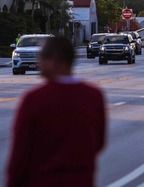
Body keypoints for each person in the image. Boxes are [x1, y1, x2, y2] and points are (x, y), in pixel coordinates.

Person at [6, 36, 106, 187]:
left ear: (55, 60)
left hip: (42, 180)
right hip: (81, 180)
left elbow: (20, 153)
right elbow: (99, 142)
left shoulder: (34, 99)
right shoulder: (93, 96)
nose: (39, 63)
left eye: (42, 58)